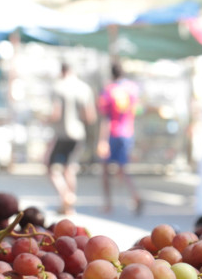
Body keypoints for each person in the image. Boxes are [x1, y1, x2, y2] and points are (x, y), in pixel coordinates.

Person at [47, 62, 97, 215]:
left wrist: (46, 119)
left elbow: (56, 113)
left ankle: (66, 196)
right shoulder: (84, 88)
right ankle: (69, 207)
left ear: (62, 71)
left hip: (63, 134)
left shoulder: (58, 87)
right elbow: (90, 117)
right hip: (78, 134)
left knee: (52, 168)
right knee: (70, 168)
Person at [97, 61, 142, 214]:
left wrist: (102, 141)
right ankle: (135, 195)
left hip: (112, 133)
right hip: (128, 132)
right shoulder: (133, 89)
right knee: (122, 169)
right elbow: (137, 111)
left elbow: (105, 118)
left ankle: (108, 204)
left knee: (105, 170)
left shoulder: (108, 90)